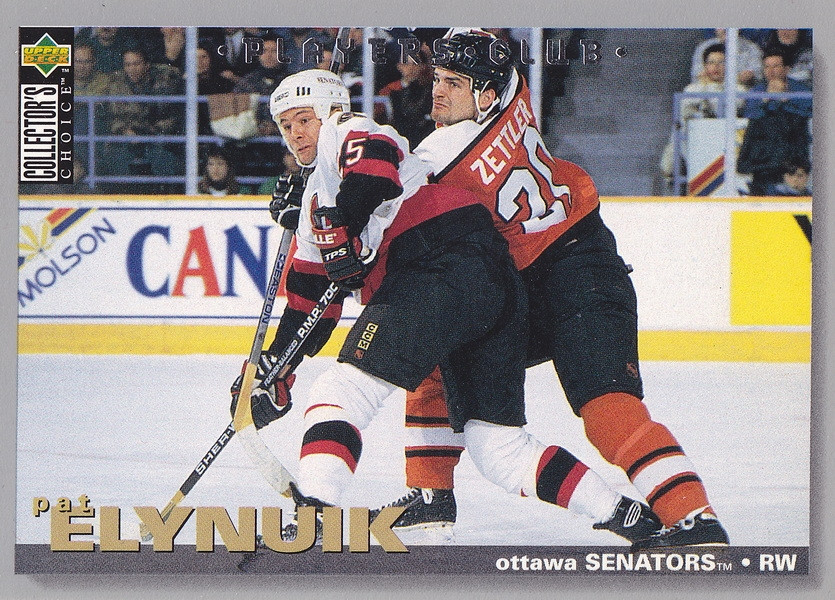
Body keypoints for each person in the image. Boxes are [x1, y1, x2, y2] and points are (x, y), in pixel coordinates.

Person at [230, 68, 664, 546]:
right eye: (285, 125)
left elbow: (375, 168)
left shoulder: (346, 129)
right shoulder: (316, 202)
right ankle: (626, 516)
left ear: (330, 110)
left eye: (303, 119)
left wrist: (341, 219)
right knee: (498, 448)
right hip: (488, 285)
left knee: (343, 389)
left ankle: (314, 519)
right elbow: (308, 303)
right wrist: (274, 370)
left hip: (441, 261)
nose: (295, 133)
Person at [371, 30, 729, 550]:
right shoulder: (514, 89)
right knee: (437, 350)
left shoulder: (438, 155)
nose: (437, 92)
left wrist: (321, 187)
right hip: (562, 266)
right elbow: (479, 44)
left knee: (607, 410)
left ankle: (695, 521)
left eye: (453, 83)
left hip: (575, 274)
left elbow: (377, 201)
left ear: (485, 95)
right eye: (438, 79)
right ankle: (431, 498)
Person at [659, 43, 746, 184]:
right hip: (699, 141)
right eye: (711, 63)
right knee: (682, 126)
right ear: (705, 66)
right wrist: (703, 87)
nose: (716, 67)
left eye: (721, 62)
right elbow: (685, 117)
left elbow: (728, 109)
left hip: (727, 140)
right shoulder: (692, 89)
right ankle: (673, 163)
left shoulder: (739, 90)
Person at [738, 49, 812, 196]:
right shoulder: (756, 91)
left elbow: (808, 112)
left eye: (776, 66)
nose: (771, 71)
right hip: (764, 156)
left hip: (792, 153)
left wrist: (785, 100)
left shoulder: (801, 90)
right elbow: (750, 114)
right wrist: (766, 100)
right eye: (767, 67)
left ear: (786, 69)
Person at [690, 28, 762, 88]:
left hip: (740, 93)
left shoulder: (752, 48)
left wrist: (747, 77)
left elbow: (758, 77)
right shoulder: (703, 47)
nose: (725, 29)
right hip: (708, 91)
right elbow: (697, 76)